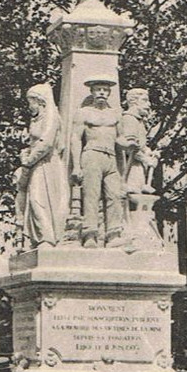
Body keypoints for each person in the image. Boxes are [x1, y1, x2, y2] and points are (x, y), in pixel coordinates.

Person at [70, 77, 126, 248]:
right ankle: (90, 234)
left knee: (114, 196)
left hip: (111, 157)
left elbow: (120, 139)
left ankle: (114, 234)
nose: (102, 92)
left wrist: (130, 144)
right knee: (91, 195)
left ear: (109, 92)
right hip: (92, 154)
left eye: (105, 89)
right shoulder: (84, 112)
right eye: (98, 89)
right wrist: (76, 166)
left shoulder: (116, 114)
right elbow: (76, 138)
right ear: (92, 92)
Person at [15, 82, 67, 249]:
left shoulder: (51, 117)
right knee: (35, 200)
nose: (29, 106)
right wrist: (26, 154)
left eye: (31, 102)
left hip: (47, 164)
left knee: (40, 200)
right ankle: (41, 238)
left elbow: (46, 143)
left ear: (40, 101)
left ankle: (47, 238)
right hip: (36, 164)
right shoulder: (38, 119)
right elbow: (34, 143)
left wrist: (28, 161)